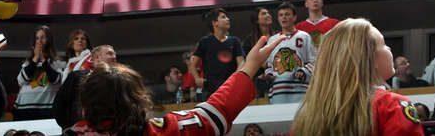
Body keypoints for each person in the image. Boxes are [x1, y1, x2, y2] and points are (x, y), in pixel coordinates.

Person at [66, 35, 285, 136]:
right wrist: (250, 66)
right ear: (139, 100)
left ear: (85, 105)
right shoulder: (166, 130)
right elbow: (217, 111)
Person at [292, 18, 425, 135]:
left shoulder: (307, 116)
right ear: (369, 57)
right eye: (383, 44)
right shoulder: (391, 106)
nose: (389, 48)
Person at [53, 44, 118, 130]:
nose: (114, 57)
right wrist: (68, 127)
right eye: (109, 54)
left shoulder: (119, 80)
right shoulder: (76, 77)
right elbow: (59, 105)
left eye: (114, 54)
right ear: (97, 58)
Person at [265, 2, 316, 104]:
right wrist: (269, 75)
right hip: (278, 92)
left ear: (294, 17)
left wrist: (303, 72)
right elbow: (269, 66)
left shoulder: (304, 36)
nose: (284, 17)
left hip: (300, 91)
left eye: (287, 14)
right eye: (281, 15)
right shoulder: (272, 40)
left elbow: (314, 61)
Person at [190, 8, 245, 99]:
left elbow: (242, 63)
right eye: (223, 17)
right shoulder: (205, 42)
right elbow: (192, 64)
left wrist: (234, 78)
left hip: (231, 87)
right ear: (215, 23)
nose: (228, 19)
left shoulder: (235, 41)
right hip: (210, 89)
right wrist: (197, 78)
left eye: (227, 17)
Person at [13, 25, 65, 120]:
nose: (39, 41)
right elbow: (21, 81)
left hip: (46, 108)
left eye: (43, 38)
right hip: (25, 107)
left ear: (49, 40)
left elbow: (56, 80)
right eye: (37, 38)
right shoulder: (28, 62)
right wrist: (35, 59)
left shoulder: (56, 63)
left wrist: (43, 60)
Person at [242, 7, 276, 98]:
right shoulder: (249, 41)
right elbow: (247, 63)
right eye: (264, 13)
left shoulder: (278, 37)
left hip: (277, 80)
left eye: (268, 13)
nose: (268, 15)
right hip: (257, 83)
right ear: (256, 20)